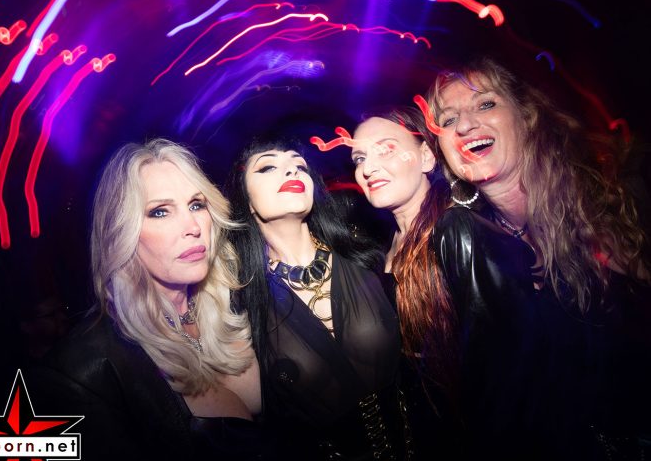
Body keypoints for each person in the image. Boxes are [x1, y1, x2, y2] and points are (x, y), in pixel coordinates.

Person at [427, 56, 651, 460]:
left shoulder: (612, 201)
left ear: (526, 117)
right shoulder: (471, 248)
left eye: (485, 104)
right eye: (447, 120)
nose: (464, 126)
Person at [27, 139, 264, 460]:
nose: (192, 227)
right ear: (121, 233)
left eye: (197, 205)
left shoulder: (238, 301)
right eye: (160, 212)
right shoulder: (84, 372)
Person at [224, 137, 414, 460]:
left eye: (299, 165)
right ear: (247, 201)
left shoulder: (365, 260)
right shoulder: (243, 302)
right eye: (268, 167)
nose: (292, 172)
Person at [351, 106, 463, 458]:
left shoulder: (456, 232)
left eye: (386, 149)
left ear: (426, 157)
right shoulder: (384, 245)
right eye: (359, 158)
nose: (367, 168)